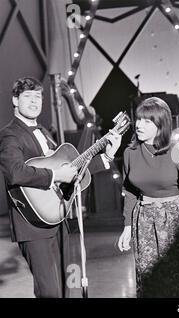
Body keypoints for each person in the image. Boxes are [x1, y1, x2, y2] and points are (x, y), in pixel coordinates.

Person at [0, 77, 122, 298]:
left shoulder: (45, 132)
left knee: (66, 289)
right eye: (28, 97)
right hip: (33, 226)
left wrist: (106, 157)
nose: (34, 102)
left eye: (38, 96)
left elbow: (72, 169)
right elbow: (15, 172)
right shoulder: (9, 134)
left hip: (57, 218)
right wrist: (56, 175)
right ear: (15, 100)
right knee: (50, 292)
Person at [117, 97, 179, 298]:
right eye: (138, 119)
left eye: (147, 121)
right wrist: (127, 226)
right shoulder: (130, 153)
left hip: (174, 218)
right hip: (143, 218)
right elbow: (129, 190)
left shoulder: (176, 151)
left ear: (160, 124)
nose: (138, 125)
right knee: (149, 280)